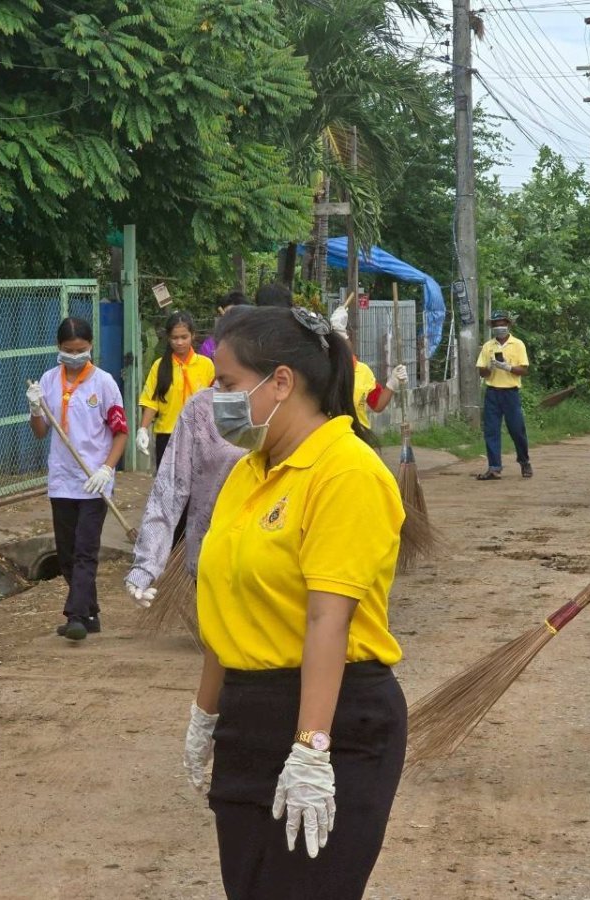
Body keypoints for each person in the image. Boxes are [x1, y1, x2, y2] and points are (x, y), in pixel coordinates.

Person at [182, 306, 407, 900]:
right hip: (247, 716)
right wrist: (207, 715)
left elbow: (327, 619)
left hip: (336, 719)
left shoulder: (346, 472)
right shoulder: (250, 472)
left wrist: (312, 750)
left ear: (279, 382)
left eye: (226, 384)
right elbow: (225, 601)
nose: (216, 398)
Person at [125, 304, 254, 607]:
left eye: (231, 382)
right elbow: (168, 492)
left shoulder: (279, 413)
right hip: (173, 436)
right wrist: (146, 565)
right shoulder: (198, 406)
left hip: (258, 560)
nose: (223, 388)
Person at [27, 318, 129, 640]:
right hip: (62, 479)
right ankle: (91, 612)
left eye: (81, 350)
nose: (75, 356)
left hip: (94, 481)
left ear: (90, 347)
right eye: (69, 351)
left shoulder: (104, 383)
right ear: (59, 349)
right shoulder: (47, 380)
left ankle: (75, 616)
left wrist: (107, 469)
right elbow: (41, 433)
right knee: (68, 552)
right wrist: (34, 409)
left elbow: (120, 432)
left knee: (86, 550)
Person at [137, 311, 216, 467]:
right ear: (168, 338)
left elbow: (215, 399)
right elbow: (152, 401)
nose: (179, 342)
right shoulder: (159, 366)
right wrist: (143, 429)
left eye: (184, 337)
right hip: (167, 435)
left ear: (192, 336)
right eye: (175, 338)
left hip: (199, 435)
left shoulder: (206, 365)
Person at [328, 305, 408, 428]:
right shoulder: (327, 369)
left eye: (346, 337)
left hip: (360, 437)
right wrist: (338, 332)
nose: (346, 343)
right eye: (342, 338)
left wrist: (392, 383)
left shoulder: (363, 371)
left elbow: (377, 405)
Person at [476, 310, 532, 480]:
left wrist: (507, 367)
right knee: (491, 430)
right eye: (496, 324)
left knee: (517, 429)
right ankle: (494, 467)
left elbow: (524, 369)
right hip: (492, 392)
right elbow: (481, 372)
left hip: (510, 393)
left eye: (502, 324)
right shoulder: (488, 346)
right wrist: (491, 367)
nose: (499, 327)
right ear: (492, 326)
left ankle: (524, 461)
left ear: (508, 325)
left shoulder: (518, 344)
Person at [199, 291, 250, 359]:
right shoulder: (210, 345)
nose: (229, 318)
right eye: (226, 313)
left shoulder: (254, 342)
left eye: (234, 313)